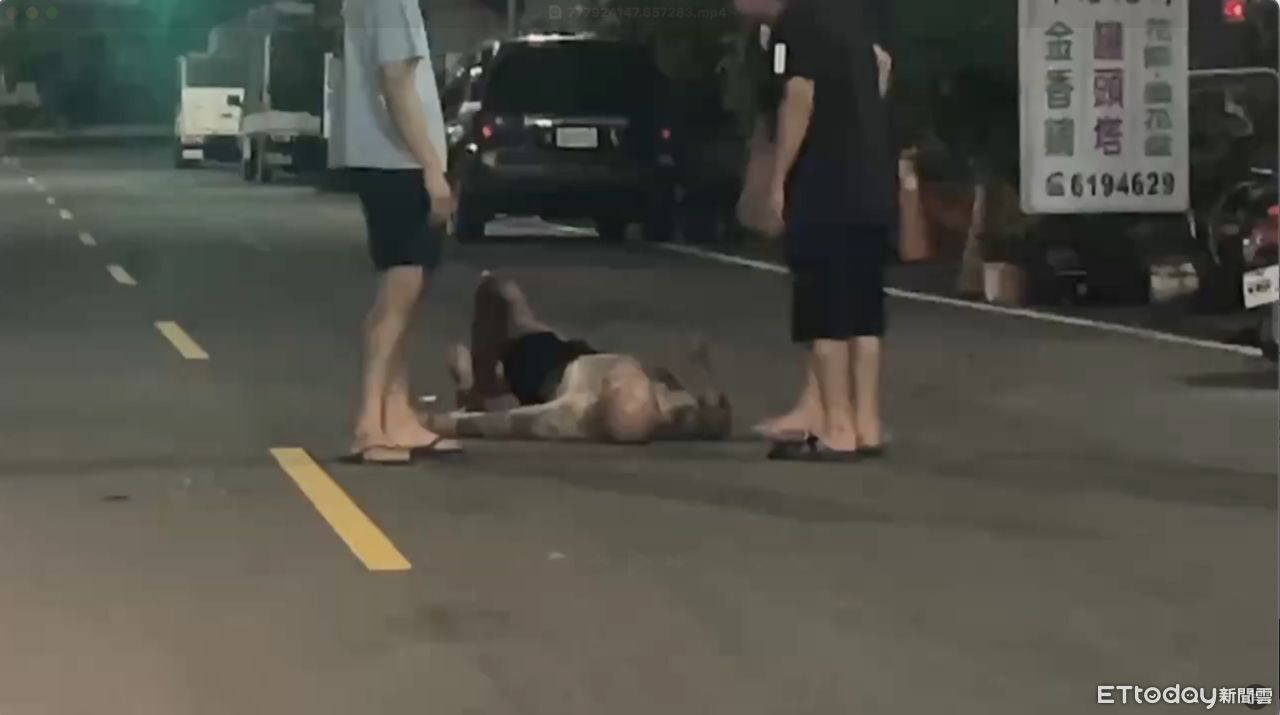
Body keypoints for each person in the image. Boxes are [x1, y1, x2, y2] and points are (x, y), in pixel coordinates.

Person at [734, 0, 896, 461]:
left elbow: (799, 94)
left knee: (824, 310)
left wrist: (780, 178)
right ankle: (866, 424)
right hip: (871, 182)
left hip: (825, 185)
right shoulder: (848, 17)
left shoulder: (796, 24)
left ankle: (838, 430)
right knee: (864, 311)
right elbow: (883, 65)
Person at [335, 0, 461, 464]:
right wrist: (431, 168)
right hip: (398, 162)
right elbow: (395, 79)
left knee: (404, 293)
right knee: (399, 294)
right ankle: (369, 425)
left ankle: (397, 414)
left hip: (385, 158)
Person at [423, 273, 732, 443]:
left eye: (613, 386)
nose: (613, 380)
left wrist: (433, 421)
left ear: (603, 400)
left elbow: (503, 424)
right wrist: (704, 373)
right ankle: (477, 381)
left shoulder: (574, 412)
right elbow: (714, 419)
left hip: (541, 364)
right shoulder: (670, 413)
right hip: (577, 355)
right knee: (508, 303)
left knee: (500, 291)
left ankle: (477, 385)